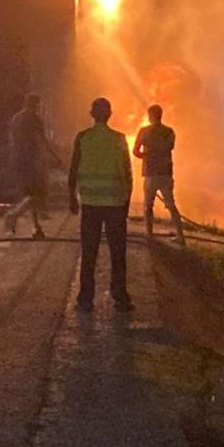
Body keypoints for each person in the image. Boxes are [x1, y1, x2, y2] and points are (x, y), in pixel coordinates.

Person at [68, 97, 133, 312]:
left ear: (91, 114)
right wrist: (126, 204)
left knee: (89, 252)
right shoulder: (120, 139)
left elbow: (74, 168)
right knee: (117, 252)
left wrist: (72, 198)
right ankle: (120, 296)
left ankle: (85, 298)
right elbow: (128, 174)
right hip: (115, 204)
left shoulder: (83, 137)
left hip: (90, 204)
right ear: (110, 114)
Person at [2, 93, 59, 238]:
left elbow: (11, 139)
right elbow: (41, 139)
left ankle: (36, 228)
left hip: (16, 158)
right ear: (36, 105)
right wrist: (55, 156)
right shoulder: (34, 119)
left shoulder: (16, 118)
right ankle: (13, 215)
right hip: (31, 160)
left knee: (28, 193)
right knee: (37, 194)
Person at [133, 103, 186, 245]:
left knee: (148, 205)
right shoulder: (169, 132)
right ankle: (180, 236)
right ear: (161, 115)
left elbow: (135, 151)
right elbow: (169, 147)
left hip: (150, 173)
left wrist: (146, 156)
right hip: (165, 174)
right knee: (171, 205)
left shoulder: (144, 131)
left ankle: (149, 235)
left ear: (150, 116)